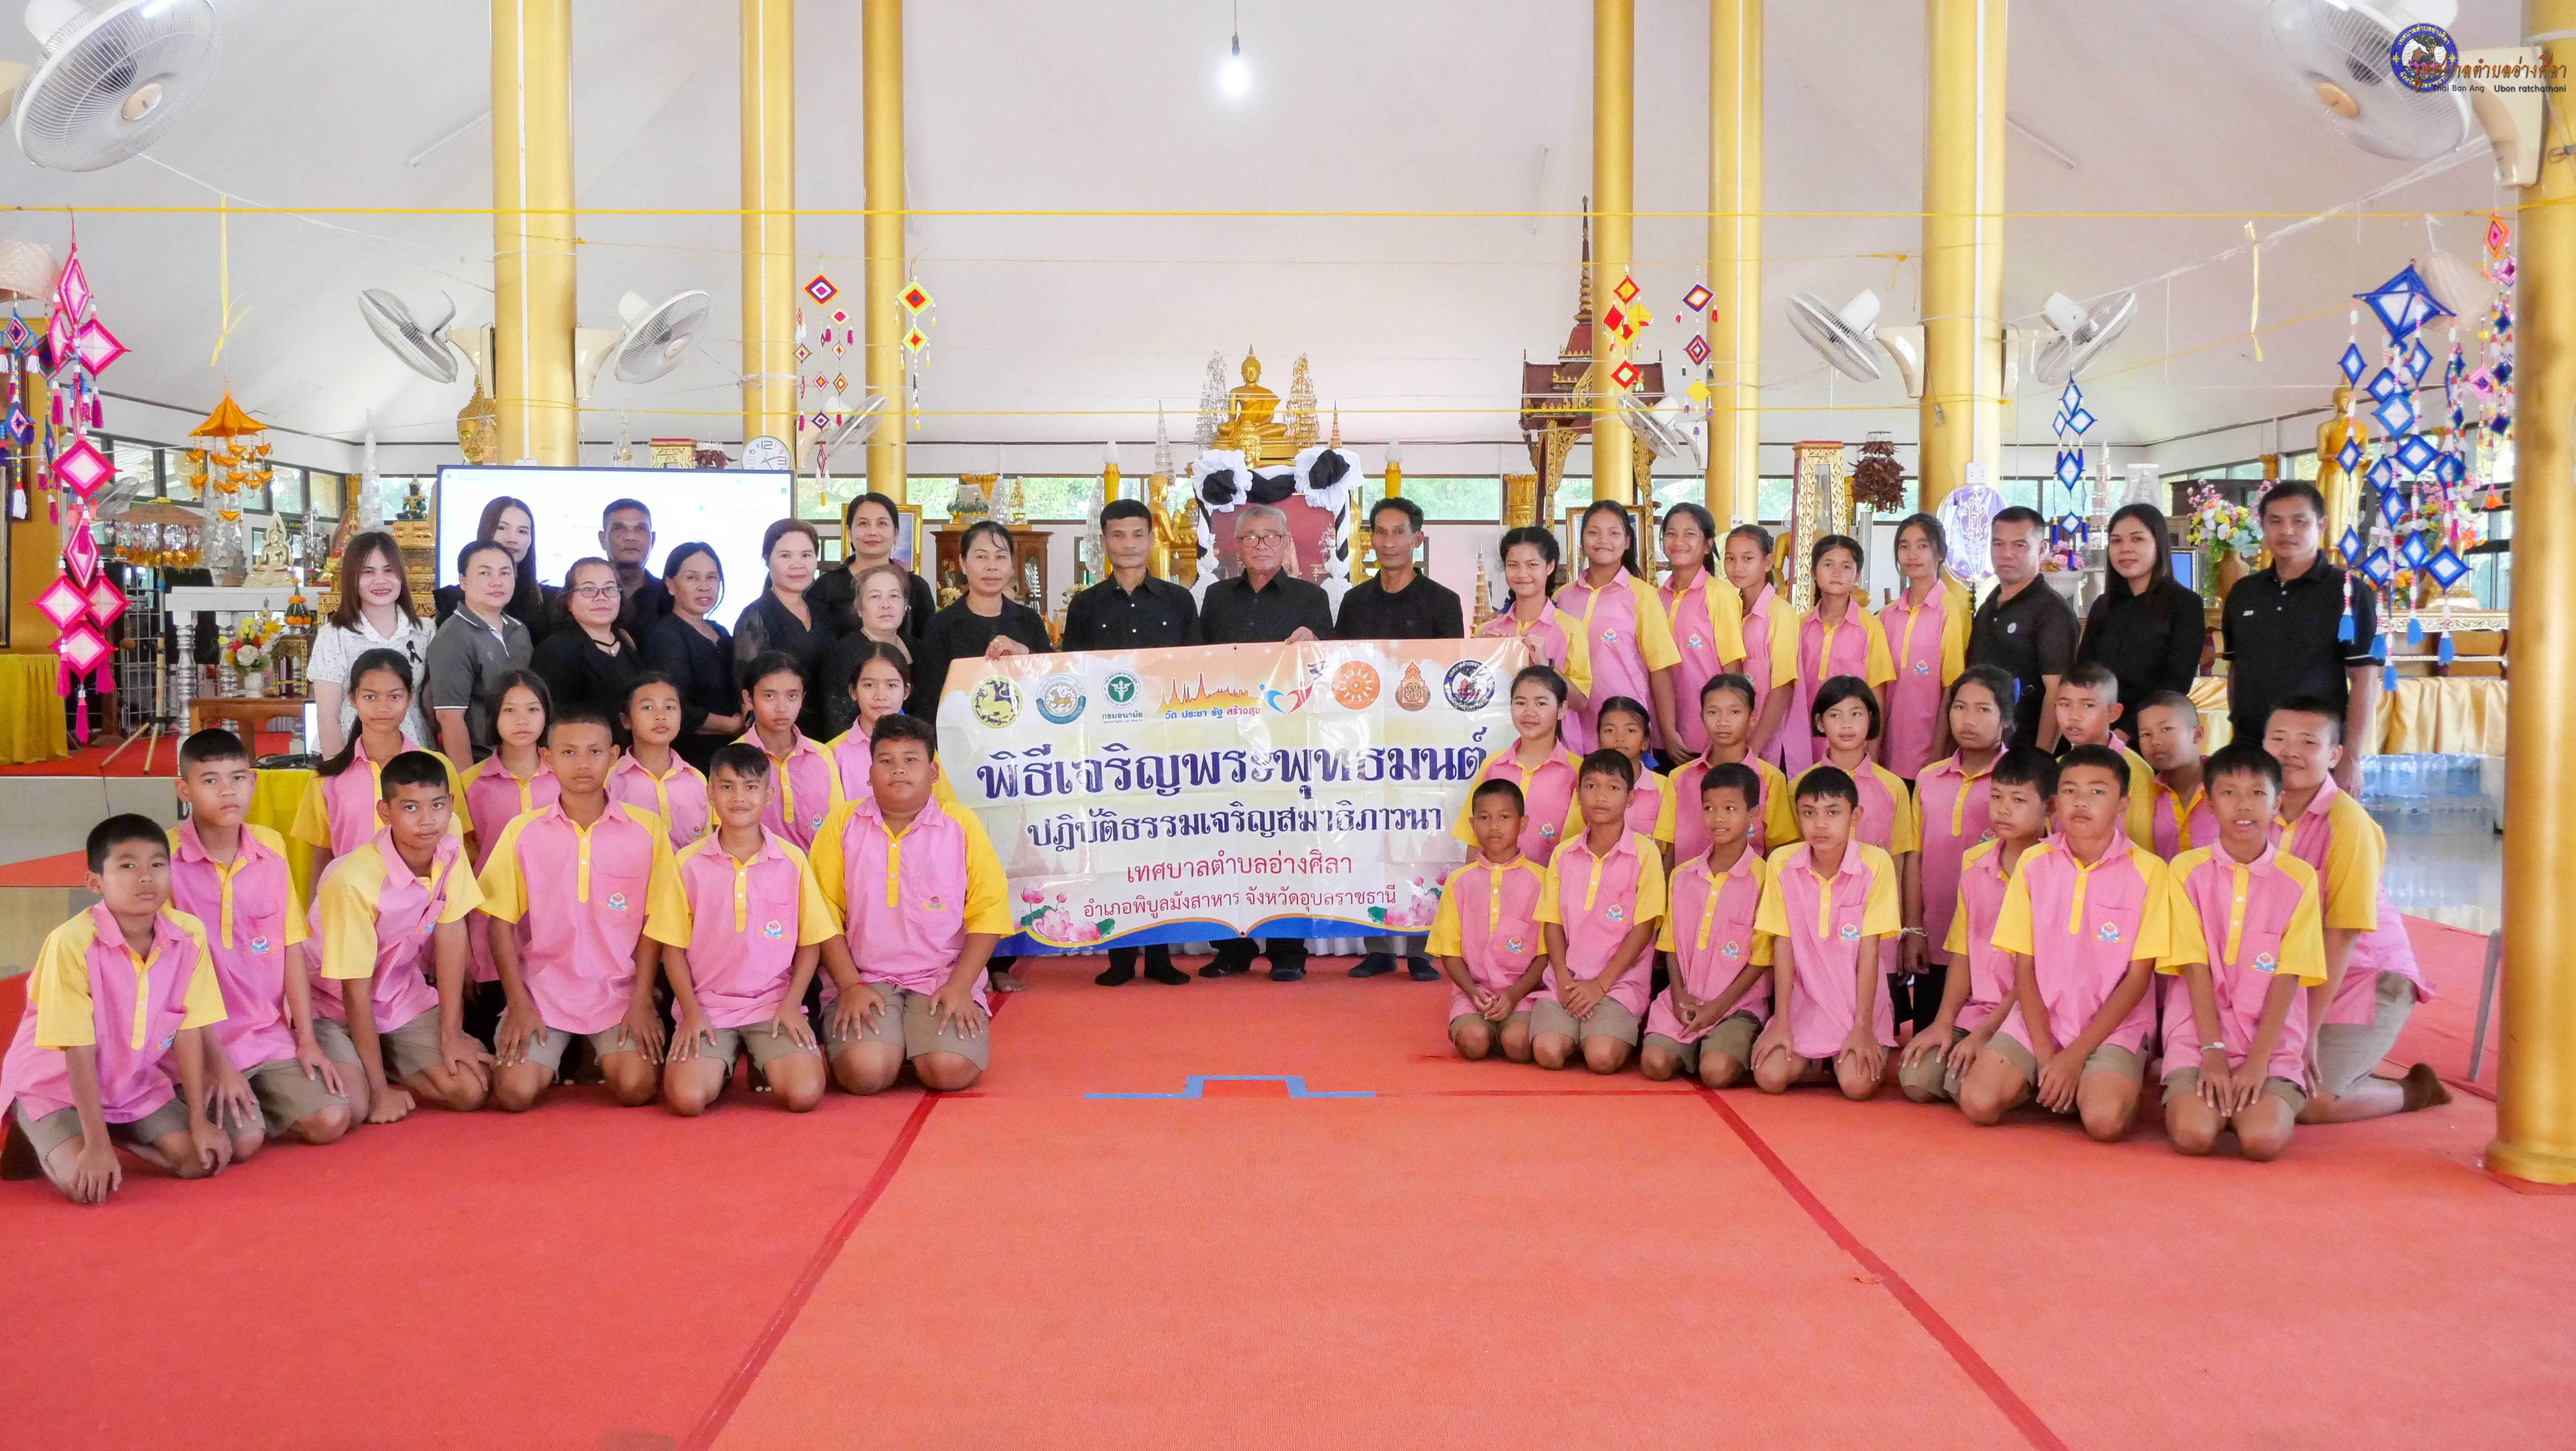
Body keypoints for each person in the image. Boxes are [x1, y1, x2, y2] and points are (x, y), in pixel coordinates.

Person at [0, 816, 230, 1202]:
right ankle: (31, 1115)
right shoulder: (70, 943)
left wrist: (198, 1121)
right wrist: (96, 1146)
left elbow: (190, 1028)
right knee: (90, 1188)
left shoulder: (188, 934)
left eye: (157, 864)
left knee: (201, 1161)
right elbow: (78, 1049)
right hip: (55, 1085)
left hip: (129, 1084)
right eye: (127, 865)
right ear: (96, 882)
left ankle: (114, 1129)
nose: (146, 876)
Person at [1956, 744, 2172, 1141]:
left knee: (2104, 1122)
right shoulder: (2034, 861)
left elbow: (2139, 979)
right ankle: (2055, 1083)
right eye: (2070, 790)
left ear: (2123, 804)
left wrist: (2074, 1057)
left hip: (2114, 1026)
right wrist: (2046, 1056)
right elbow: (2024, 967)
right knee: (1978, 1102)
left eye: (2097, 791)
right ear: (2056, 800)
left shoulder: (2151, 871)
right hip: (2043, 1018)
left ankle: (2090, 1080)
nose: (2081, 802)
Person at [475, 706, 684, 1113]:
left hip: (618, 992)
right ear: (548, 759)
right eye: (568, 752)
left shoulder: (646, 829)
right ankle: (564, 1054)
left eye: (595, 751)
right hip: (542, 992)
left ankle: (592, 1053)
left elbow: (655, 923)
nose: (583, 764)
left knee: (637, 1088)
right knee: (514, 1093)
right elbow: (499, 924)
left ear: (614, 756)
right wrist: (518, 1004)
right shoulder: (523, 831)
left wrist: (643, 1000)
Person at [2262, 697, 2447, 1123]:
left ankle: (2413, 1090)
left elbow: (2343, 935)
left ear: (2335, 755)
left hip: (2364, 975)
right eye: (2278, 739)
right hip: (2290, 972)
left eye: (2308, 742)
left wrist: (2305, 1033)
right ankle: (2345, 1065)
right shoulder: (2258, 810)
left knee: (2310, 1102)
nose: (2290, 751)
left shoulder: (2348, 823)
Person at [168, 730, 347, 1160]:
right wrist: (219, 1064)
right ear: (184, 790)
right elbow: (172, 983)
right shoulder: (164, 858)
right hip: (199, 1043)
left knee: (332, 1118)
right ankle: (173, 1101)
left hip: (265, 1033)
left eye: (237, 778)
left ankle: (256, 1101)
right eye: (210, 780)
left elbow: (290, 950)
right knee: (243, 1143)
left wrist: (306, 1039)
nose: (227, 791)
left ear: (253, 781)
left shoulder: (271, 845)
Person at [810, 714, 1009, 1094]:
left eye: (911, 760)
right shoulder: (842, 824)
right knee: (865, 1075)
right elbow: (823, 916)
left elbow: (989, 913)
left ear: (933, 772)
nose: (898, 770)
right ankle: (895, 1043)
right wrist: (849, 985)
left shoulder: (961, 825)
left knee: (950, 1071)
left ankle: (912, 1041)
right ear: (869, 773)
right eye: (885, 761)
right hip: (865, 978)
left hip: (942, 977)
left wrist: (960, 986)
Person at [643, 743, 836, 1116]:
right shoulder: (688, 863)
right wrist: (691, 1012)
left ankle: (762, 1056)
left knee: (805, 1095)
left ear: (769, 796)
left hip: (773, 1004)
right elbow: (672, 949)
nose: (739, 797)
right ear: (710, 794)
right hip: (708, 1007)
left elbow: (811, 943)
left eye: (750, 787)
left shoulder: (792, 859)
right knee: (687, 1100)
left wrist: (793, 1004)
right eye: (727, 786)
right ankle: (723, 1063)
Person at [2159, 743, 2328, 1161]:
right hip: (2197, 1036)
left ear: (2277, 803)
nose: (2243, 805)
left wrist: (2258, 1062)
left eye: (2257, 793)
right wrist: (2213, 1053)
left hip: (2269, 1042)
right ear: (2209, 803)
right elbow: (2194, 967)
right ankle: (2201, 1091)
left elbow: (2289, 975)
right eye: (2229, 792)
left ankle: (2252, 1099)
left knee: (2262, 1141)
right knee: (2194, 1135)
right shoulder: (2185, 869)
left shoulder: (2300, 877)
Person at [309, 751, 494, 1122]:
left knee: (471, 1089)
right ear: (385, 812)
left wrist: (452, 1034)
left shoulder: (450, 848)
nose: (427, 820)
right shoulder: (353, 881)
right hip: (331, 1005)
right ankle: (370, 1073)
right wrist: (379, 1094)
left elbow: (452, 935)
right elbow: (354, 991)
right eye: (410, 808)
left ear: (451, 805)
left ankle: (385, 1058)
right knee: (354, 1108)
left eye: (437, 805)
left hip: (397, 993)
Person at [1061, 498, 1200, 987]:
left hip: (1164, 743)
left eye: (1138, 534)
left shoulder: (1179, 601)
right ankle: (1119, 956)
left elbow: (1195, 670)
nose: (1129, 544)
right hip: (1108, 746)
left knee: (1160, 850)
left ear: (1151, 538)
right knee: (1114, 848)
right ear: (1104, 542)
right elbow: (1071, 674)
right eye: (1118, 535)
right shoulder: (1086, 605)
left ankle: (1160, 956)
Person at [1198, 502, 1332, 981]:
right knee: (1228, 845)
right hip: (1227, 743)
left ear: (1286, 542)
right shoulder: (1216, 598)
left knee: (1287, 846)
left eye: (1271, 536)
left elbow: (1329, 671)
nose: (1260, 545)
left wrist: (1316, 643)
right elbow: (1198, 665)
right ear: (1237, 546)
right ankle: (1233, 947)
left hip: (1288, 744)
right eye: (1250, 537)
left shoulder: (1311, 598)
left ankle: (1288, 948)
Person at [1899, 746, 2055, 1105]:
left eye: (2018, 800)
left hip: (2030, 1014)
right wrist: (1943, 1022)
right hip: (1980, 1009)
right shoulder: (1975, 861)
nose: (2003, 809)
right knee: (1916, 1079)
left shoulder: (2056, 868)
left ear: (2049, 807)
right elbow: (1963, 951)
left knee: (1973, 1094)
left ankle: (2022, 1076)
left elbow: (2040, 974)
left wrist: (1984, 1034)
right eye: (1997, 796)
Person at [1749, 767, 1901, 1099]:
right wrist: (1782, 1020)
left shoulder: (1876, 863)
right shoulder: (1781, 863)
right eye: (1809, 813)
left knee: (1857, 1086)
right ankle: (1818, 1058)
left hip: (1857, 1005)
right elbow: (1783, 944)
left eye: (1833, 812)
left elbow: (1870, 950)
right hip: (1806, 1003)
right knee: (1770, 1077)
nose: (1820, 824)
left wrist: (1863, 1026)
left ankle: (1841, 1052)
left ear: (1855, 816)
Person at [2225, 482, 2379, 794]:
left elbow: (2364, 678)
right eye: (2276, 521)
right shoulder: (2244, 592)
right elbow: (2236, 669)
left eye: (2300, 521)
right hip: (2251, 745)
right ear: (2263, 526)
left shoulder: (2349, 591)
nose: (2287, 531)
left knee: (2314, 825)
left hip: (2314, 750)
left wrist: (2350, 758)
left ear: (2321, 526)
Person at [1531, 749, 1665, 1074]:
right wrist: (1564, 979)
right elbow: (1553, 923)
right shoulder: (1564, 853)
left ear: (1631, 799)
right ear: (1579, 796)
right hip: (1567, 981)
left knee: (1601, 1058)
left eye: (1613, 788)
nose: (1601, 796)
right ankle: (1579, 1026)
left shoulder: (1645, 853)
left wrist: (1600, 986)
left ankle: (1604, 1029)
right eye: (1591, 786)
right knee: (1548, 1052)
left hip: (1619, 984)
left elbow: (1644, 928)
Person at [1640, 763, 1775, 1088]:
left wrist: (1718, 1008)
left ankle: (1723, 1045)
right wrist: (1678, 995)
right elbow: (1670, 944)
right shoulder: (1682, 876)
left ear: (1754, 814)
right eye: (1709, 808)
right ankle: (1691, 1043)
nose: (1718, 818)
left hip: (1737, 1006)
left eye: (1730, 809)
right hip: (1685, 1000)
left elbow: (1762, 959)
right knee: (1655, 1064)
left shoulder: (1766, 879)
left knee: (1716, 1073)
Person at [292, 650, 463, 889]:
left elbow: (457, 850)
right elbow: (320, 862)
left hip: (422, 903)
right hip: (350, 901)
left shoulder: (439, 767)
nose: (383, 707)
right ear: (353, 699)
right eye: (370, 697)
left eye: (394, 696)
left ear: (410, 697)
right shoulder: (328, 778)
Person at [1910, 665, 2014, 1037]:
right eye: (1960, 707)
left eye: (1983, 709)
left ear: (2005, 719)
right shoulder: (1928, 778)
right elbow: (1914, 857)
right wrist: (1914, 929)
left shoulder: (2017, 783)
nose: (1968, 720)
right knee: (1927, 1048)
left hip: (1995, 947)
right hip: (1936, 936)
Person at [454, 671, 557, 1046]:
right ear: (493, 716)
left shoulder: (567, 777)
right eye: (509, 710)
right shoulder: (470, 784)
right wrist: (463, 947)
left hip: (556, 926)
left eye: (533, 709)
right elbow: (461, 871)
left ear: (547, 715)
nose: (522, 720)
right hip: (489, 929)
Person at [1426, 779, 1551, 1062]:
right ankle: (1484, 1028)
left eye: (1504, 817)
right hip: (1474, 993)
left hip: (1524, 993)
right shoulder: (1459, 882)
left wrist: (1515, 994)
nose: (1494, 827)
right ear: (1472, 825)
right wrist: (1472, 991)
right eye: (1484, 818)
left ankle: (1506, 1031)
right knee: (1473, 1044)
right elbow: (1448, 950)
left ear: (1522, 823)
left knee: (1518, 1045)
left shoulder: (1541, 881)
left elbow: (1546, 954)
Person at [1555, 500, 1682, 755]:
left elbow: (1660, 669)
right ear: (1581, 540)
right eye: (1593, 532)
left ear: (1627, 542)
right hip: (1573, 730)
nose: (1603, 541)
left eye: (1614, 533)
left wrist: (1668, 732)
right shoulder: (1563, 597)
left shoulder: (1642, 595)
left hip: (1625, 733)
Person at [913, 520, 1053, 729]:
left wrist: (1024, 653)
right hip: (961, 737)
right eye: (981, 557)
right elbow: (928, 703)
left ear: (1011, 565)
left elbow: (1051, 683)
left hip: (1023, 736)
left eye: (1001, 557)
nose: (992, 566)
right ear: (963, 563)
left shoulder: (1029, 621)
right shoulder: (940, 626)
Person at [2077, 503, 2203, 727]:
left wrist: (2127, 732)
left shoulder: (2185, 604)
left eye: (2137, 539)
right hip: (2097, 727)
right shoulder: (2103, 605)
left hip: (2150, 730)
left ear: (2159, 544)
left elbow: (2176, 684)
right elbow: (2084, 673)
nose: (2125, 549)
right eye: (2116, 541)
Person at [310, 530, 434, 753]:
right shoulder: (334, 635)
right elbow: (328, 718)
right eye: (368, 572)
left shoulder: (424, 631)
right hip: (353, 753)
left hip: (413, 753)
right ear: (352, 578)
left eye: (389, 570)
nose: (380, 580)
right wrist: (339, 769)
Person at [1968, 505, 2078, 751]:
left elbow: (2058, 692)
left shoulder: (2052, 611)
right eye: (1998, 544)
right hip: (1983, 749)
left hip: (2025, 753)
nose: (2006, 554)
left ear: (2041, 549)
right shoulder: (1989, 605)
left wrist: (2040, 757)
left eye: (2019, 545)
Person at [1452, 665, 1584, 867]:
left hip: (1554, 884)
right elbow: (1474, 839)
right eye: (1521, 703)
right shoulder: (1493, 766)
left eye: (1541, 703)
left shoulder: (1579, 772)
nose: (1529, 712)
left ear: (1561, 709)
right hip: (1496, 884)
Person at [1782, 534, 1893, 773]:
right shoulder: (1799, 625)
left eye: (1846, 567)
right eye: (1828, 565)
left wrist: (1873, 753)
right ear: (1813, 572)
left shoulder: (1870, 628)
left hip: (1850, 742)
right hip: (1803, 738)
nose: (1836, 573)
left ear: (1858, 575)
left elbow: (1877, 695)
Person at [1476, 526, 1593, 751]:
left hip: (1558, 749)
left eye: (1532, 565)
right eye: (1513, 565)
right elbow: (1473, 696)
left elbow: (1580, 702)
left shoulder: (1570, 629)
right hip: (1496, 746)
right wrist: (1484, 655)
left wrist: (1546, 666)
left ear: (1550, 566)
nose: (1522, 574)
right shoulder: (1486, 631)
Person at [1665, 674, 1794, 867]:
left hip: (1750, 884)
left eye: (1734, 712)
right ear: (1702, 717)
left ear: (1752, 718)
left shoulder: (1771, 778)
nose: (1723, 722)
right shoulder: (1679, 777)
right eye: (1713, 712)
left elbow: (1777, 848)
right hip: (1688, 883)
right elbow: (1670, 848)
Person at [1878, 513, 1969, 780]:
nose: (1912, 554)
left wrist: (1937, 755)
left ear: (1940, 553)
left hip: (1930, 753)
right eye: (1904, 546)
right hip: (1887, 751)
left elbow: (1952, 687)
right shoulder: (1887, 615)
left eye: (1923, 545)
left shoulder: (1950, 611)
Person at [427, 538, 535, 762]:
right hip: (481, 762)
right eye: (485, 573)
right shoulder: (453, 638)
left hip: (520, 760)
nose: (497, 582)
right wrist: (468, 779)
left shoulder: (519, 630)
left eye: (505, 573)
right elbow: (449, 718)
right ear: (463, 581)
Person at [1656, 503, 1748, 762]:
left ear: (1708, 545)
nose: (1678, 542)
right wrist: (1667, 732)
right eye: (1671, 533)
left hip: (1708, 736)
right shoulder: (1655, 598)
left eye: (1690, 534)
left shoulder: (1720, 595)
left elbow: (1733, 670)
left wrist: (1724, 735)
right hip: (1661, 733)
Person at [642, 542, 744, 773]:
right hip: (690, 761)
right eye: (692, 578)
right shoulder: (666, 635)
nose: (704, 587)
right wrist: (733, 725)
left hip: (729, 754)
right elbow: (674, 707)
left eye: (712, 578)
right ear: (670, 585)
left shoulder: (720, 632)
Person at [733, 519, 839, 741]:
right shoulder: (756, 617)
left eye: (806, 555)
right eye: (785, 556)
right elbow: (752, 694)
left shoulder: (823, 612)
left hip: (827, 734)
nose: (798, 565)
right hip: (780, 738)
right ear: (767, 560)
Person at [738, 652, 842, 852]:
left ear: (803, 698)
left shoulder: (821, 755)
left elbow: (837, 826)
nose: (782, 708)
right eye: (770, 696)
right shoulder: (734, 758)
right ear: (749, 699)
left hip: (815, 870)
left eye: (792, 696)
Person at [2052, 662, 2157, 849]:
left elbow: (2141, 842)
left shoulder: (2136, 771)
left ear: (2114, 713)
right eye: (2065, 704)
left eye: (2088, 705)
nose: (2074, 716)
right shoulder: (2056, 767)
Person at [1337, 496, 1465, 643]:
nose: (1388, 543)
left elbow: (1451, 657)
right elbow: (1340, 655)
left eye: (1399, 532)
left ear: (1418, 539)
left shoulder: (1444, 603)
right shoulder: (1353, 601)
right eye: (1381, 532)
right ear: (1372, 538)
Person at [530, 557, 641, 724]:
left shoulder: (626, 640)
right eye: (589, 589)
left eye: (610, 588)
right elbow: (552, 720)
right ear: (569, 600)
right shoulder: (554, 651)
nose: (601, 597)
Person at [820, 562, 924, 738]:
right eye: (875, 597)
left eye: (894, 596)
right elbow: (837, 724)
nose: (886, 605)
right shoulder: (841, 655)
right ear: (860, 609)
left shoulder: (918, 649)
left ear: (905, 606)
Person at [432, 495, 554, 643]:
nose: (512, 539)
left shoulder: (549, 600)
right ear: (485, 530)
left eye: (522, 531)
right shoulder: (450, 601)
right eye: (502, 528)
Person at [1724, 524, 1799, 766]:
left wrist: (1754, 748)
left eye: (1748, 559)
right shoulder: (1730, 609)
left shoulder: (1780, 614)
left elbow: (1783, 687)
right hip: (1736, 735)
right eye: (1731, 558)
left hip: (1769, 740)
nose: (1738, 567)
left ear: (1768, 563)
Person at [812, 492, 936, 636]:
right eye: (863, 524)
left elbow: (927, 642)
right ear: (850, 532)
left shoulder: (917, 587)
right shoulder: (826, 586)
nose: (873, 532)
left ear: (895, 532)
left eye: (882, 523)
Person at [609, 673, 710, 850]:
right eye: (648, 707)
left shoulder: (697, 779)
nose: (661, 716)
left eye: (670, 707)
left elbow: (707, 844)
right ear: (626, 720)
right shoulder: (610, 779)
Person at [2134, 691, 2220, 859]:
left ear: (2198, 734)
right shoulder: (2147, 793)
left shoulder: (2229, 786)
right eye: (2146, 734)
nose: (2155, 741)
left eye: (2166, 729)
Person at [1594, 695, 1678, 858]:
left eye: (1631, 730)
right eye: (1610, 730)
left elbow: (1670, 850)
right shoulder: (1588, 785)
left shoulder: (1666, 788)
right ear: (1599, 740)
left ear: (1645, 742)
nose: (1619, 738)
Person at [599, 498, 671, 639]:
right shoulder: (583, 597)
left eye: (641, 529)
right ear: (602, 539)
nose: (631, 537)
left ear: (653, 540)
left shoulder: (671, 597)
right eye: (619, 528)